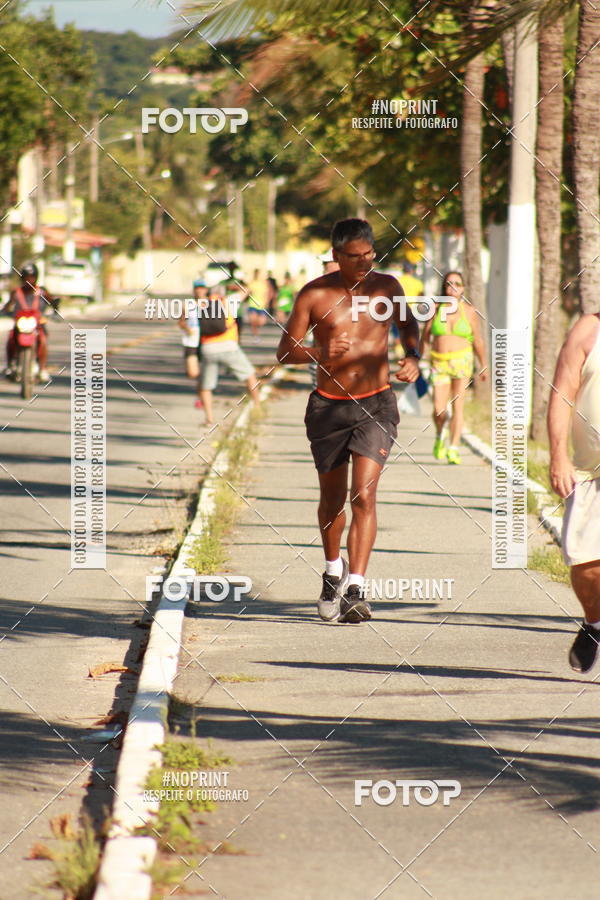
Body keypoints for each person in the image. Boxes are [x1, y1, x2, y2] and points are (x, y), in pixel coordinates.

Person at [276, 218, 420, 624]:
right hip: (329, 407)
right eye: (353, 257)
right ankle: (332, 569)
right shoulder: (314, 295)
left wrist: (413, 357)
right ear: (335, 255)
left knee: (365, 496)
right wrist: (320, 350)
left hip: (376, 404)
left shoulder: (387, 287)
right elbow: (285, 352)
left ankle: (356, 586)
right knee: (332, 500)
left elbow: (409, 326)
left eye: (368, 255)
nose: (363, 263)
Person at [548, 312, 600, 673]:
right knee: (583, 562)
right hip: (589, 470)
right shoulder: (588, 329)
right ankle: (595, 623)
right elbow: (562, 393)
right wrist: (557, 456)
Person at [419, 270, 487, 464]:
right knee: (439, 409)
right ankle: (441, 434)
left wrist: (483, 365)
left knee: (458, 407)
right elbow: (424, 337)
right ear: (444, 287)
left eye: (457, 284)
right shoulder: (435, 309)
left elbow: (478, 340)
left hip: (462, 361)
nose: (453, 287)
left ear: (463, 288)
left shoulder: (470, 311)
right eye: (449, 284)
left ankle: (454, 448)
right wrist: (416, 358)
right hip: (439, 362)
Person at [198, 283, 260, 426]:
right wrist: (235, 286)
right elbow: (247, 289)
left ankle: (209, 419)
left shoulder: (201, 304)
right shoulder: (229, 301)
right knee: (250, 375)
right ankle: (257, 407)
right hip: (228, 346)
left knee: (206, 386)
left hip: (208, 348)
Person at [3, 262, 52, 382]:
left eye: (31, 277)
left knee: (43, 340)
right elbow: (8, 306)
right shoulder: (16, 292)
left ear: (36, 278)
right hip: (20, 324)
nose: (28, 280)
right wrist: (5, 311)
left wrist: (54, 310)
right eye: (26, 278)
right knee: (11, 338)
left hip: (37, 325)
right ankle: (10, 365)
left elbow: (52, 302)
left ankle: (42, 369)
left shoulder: (42, 292)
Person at [177, 278, 206, 408]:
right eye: (197, 288)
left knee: (204, 372)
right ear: (193, 290)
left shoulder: (210, 304)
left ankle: (201, 397)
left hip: (205, 341)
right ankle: (202, 387)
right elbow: (181, 322)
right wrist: (187, 329)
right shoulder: (187, 305)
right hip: (190, 341)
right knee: (193, 373)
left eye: (202, 288)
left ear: (205, 289)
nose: (199, 290)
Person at [247, 269, 270, 338]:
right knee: (253, 322)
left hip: (261, 305)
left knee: (261, 322)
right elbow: (247, 292)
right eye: (256, 273)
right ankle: (255, 336)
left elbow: (267, 293)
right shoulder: (251, 283)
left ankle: (256, 329)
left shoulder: (264, 283)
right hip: (252, 304)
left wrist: (267, 302)